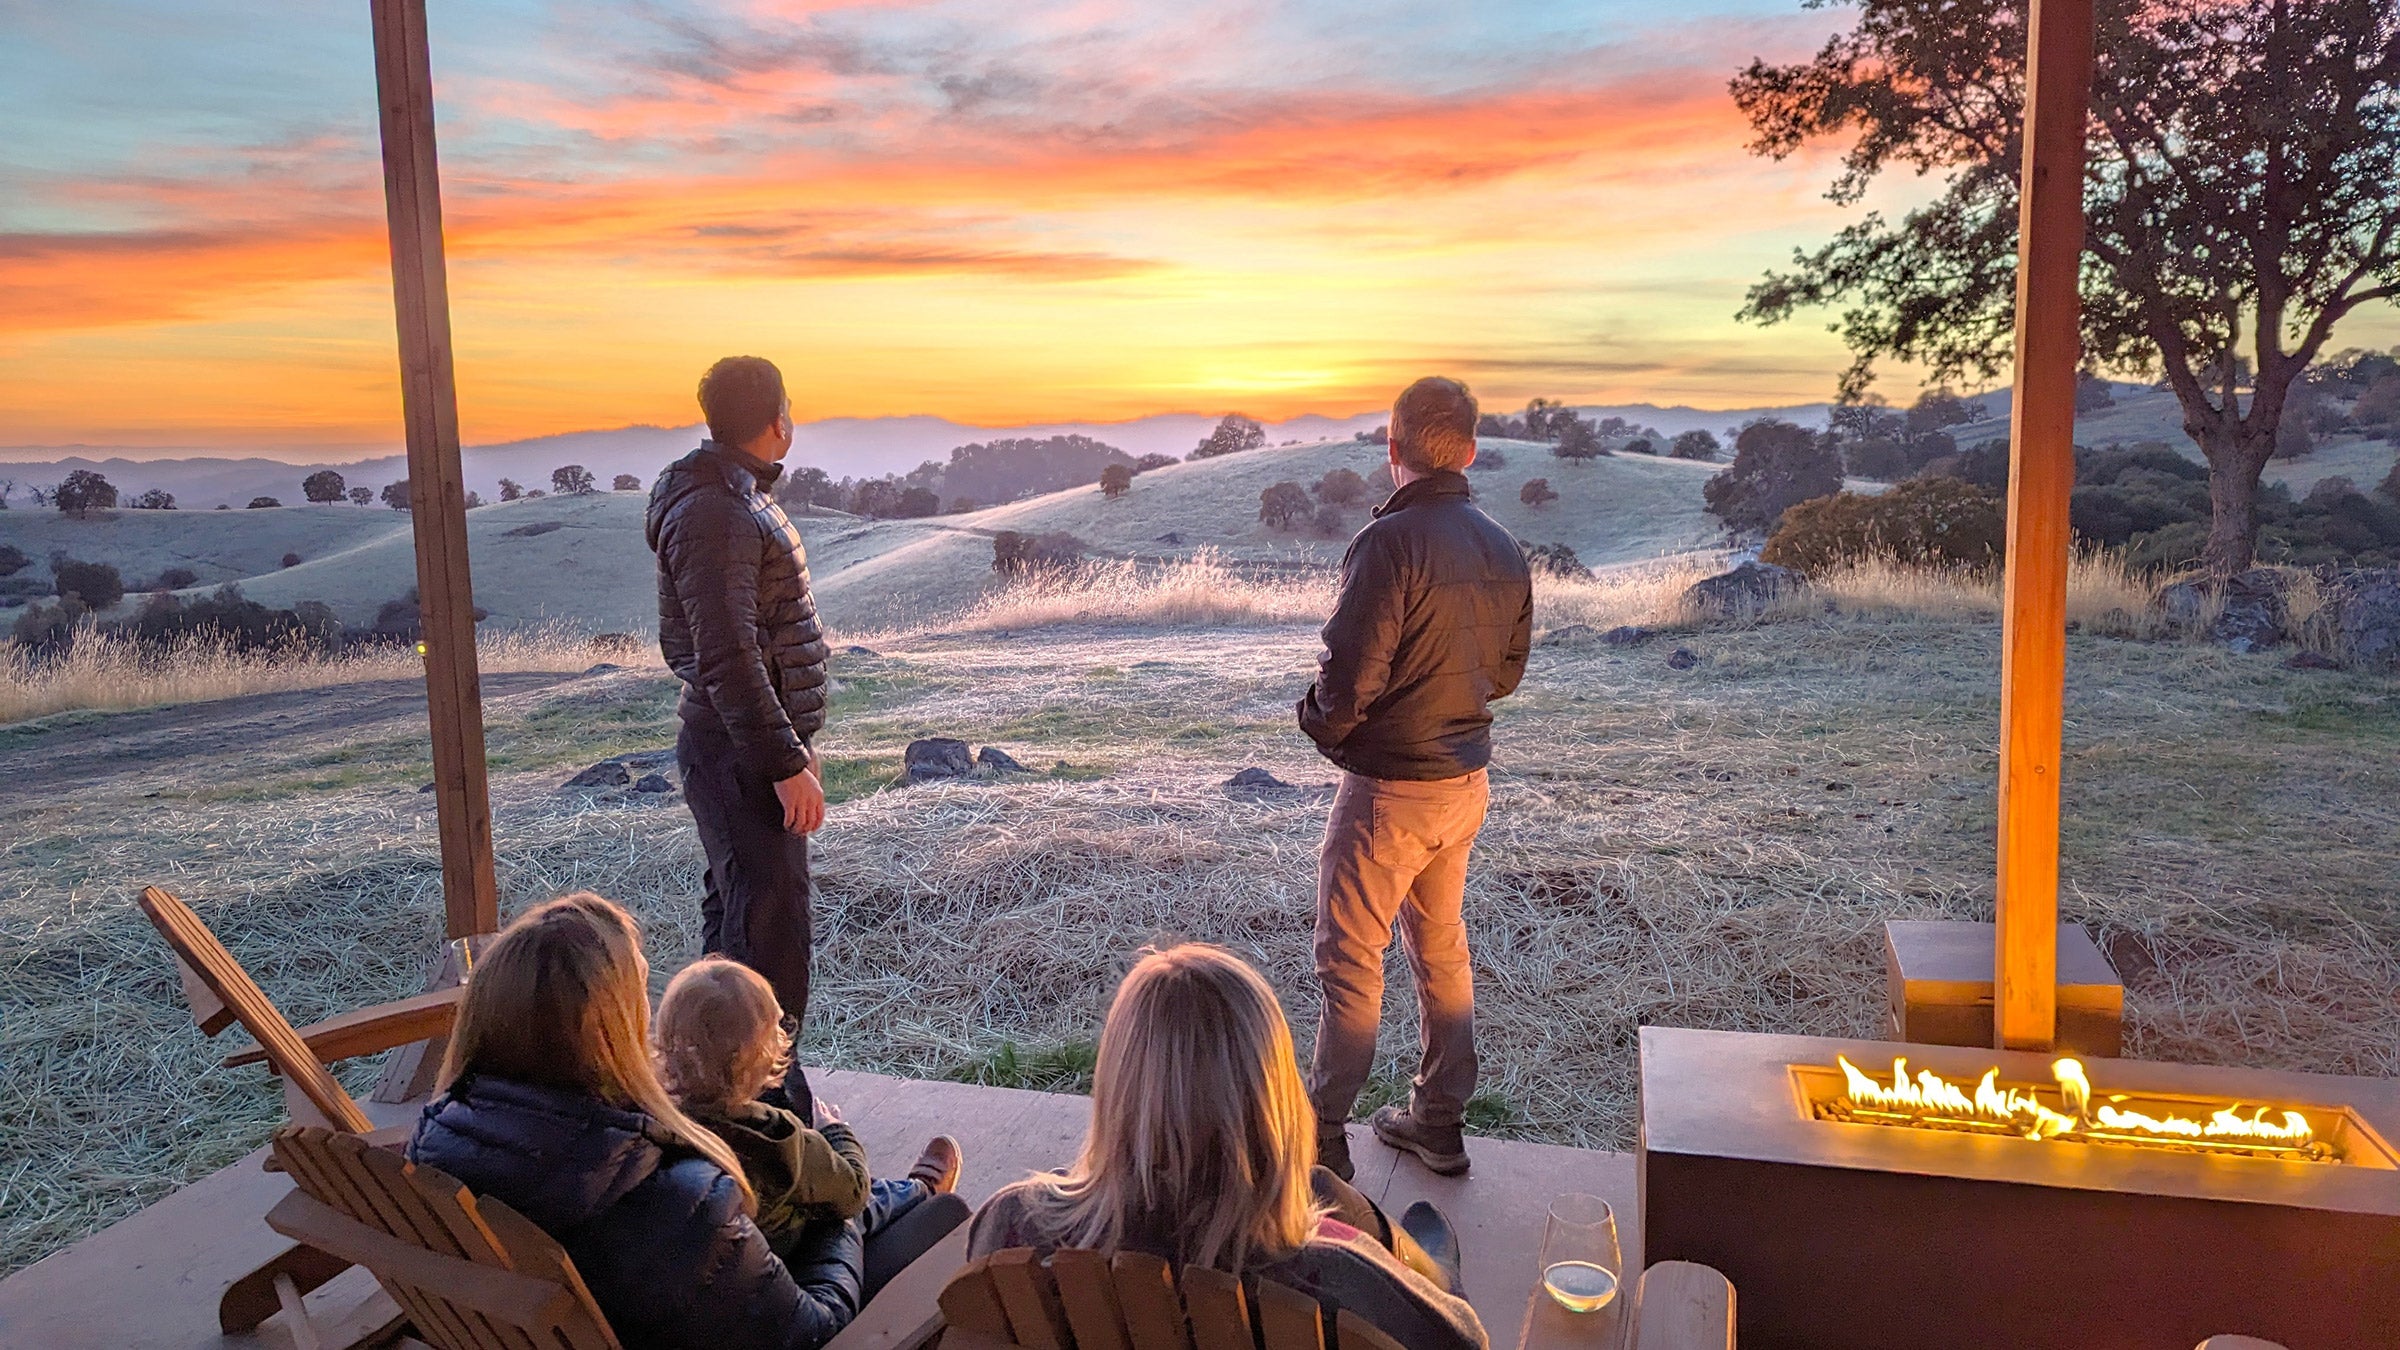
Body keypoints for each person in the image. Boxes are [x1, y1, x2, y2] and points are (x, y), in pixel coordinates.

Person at [409, 893, 968, 1350]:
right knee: (945, 1220)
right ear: (609, 1033)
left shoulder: (440, 1142)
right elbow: (813, 1332)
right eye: (639, 998)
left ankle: (900, 1193)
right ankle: (907, 1195)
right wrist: (832, 1216)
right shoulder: (673, 1199)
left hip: (630, 1311)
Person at [970, 944, 1486, 1350]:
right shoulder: (1337, 1281)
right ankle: (1427, 1264)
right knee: (1353, 1211)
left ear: (1115, 1091)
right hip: (1335, 1264)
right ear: (1275, 1100)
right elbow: (1464, 1340)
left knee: (1320, 1185)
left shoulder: (1011, 1225)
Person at [1297, 376, 1533, 1181]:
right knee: (1441, 947)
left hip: (1389, 792)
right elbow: (1505, 676)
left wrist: (1321, 726)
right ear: (1468, 450)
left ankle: (1321, 1133)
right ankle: (1438, 1120)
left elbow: (1348, 679)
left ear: (1391, 449)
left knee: (1350, 958)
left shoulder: (1386, 544)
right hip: (1464, 786)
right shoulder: (1501, 545)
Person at [649, 355, 831, 1115]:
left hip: (747, 748)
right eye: (789, 405)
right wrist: (785, 760)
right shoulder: (716, 511)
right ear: (772, 418)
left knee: (742, 926)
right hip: (738, 755)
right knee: (767, 939)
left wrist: (795, 742)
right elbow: (728, 654)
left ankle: (726, 1101)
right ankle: (764, 1111)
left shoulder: (728, 497)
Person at [655, 955, 963, 1259]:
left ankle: (912, 1191)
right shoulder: (777, 1138)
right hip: (795, 1255)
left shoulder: (660, 1120)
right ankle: (920, 1191)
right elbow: (853, 1190)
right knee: (856, 1204)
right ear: (761, 1054)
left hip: (737, 1255)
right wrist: (836, 1133)